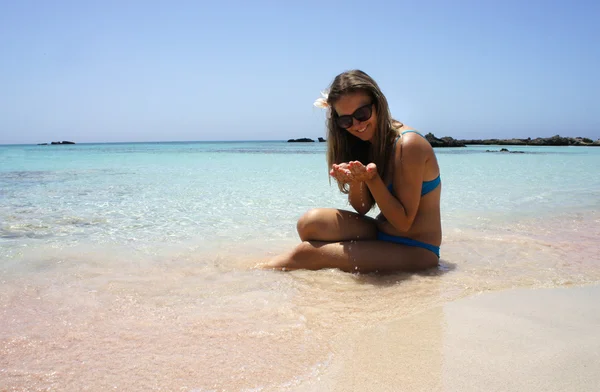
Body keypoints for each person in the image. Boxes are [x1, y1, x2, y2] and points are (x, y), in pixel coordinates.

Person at [267, 70, 442, 273]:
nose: (357, 125)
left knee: (306, 254)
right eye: (346, 120)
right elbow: (362, 208)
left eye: (361, 114)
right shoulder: (364, 142)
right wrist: (357, 180)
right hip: (379, 231)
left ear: (378, 105)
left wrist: (372, 179)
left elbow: (403, 223)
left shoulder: (408, 145)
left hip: (417, 249)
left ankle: (249, 274)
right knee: (309, 223)